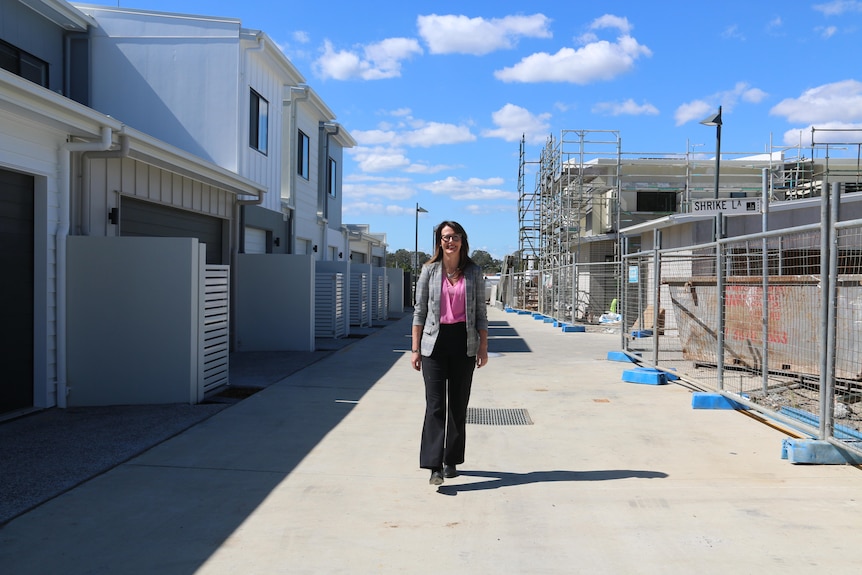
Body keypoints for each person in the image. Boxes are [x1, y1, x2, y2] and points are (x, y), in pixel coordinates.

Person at [412, 221, 489, 486]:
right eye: (445, 237)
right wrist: (415, 348)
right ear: (439, 241)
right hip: (434, 342)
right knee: (435, 405)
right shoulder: (428, 271)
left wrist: (483, 346)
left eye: (454, 237)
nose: (450, 241)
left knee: (458, 404)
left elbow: (481, 312)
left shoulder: (474, 272)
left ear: (462, 240)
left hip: (463, 342)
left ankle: (451, 460)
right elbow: (419, 311)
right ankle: (433, 466)